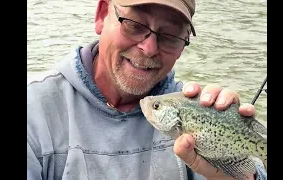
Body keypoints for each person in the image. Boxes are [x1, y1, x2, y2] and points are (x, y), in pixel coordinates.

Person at [27, 0, 267, 179]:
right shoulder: (33, 111)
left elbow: (252, 171)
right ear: (101, 15)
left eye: (170, 35)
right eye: (134, 24)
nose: (149, 47)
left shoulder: (196, 105)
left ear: (183, 45)